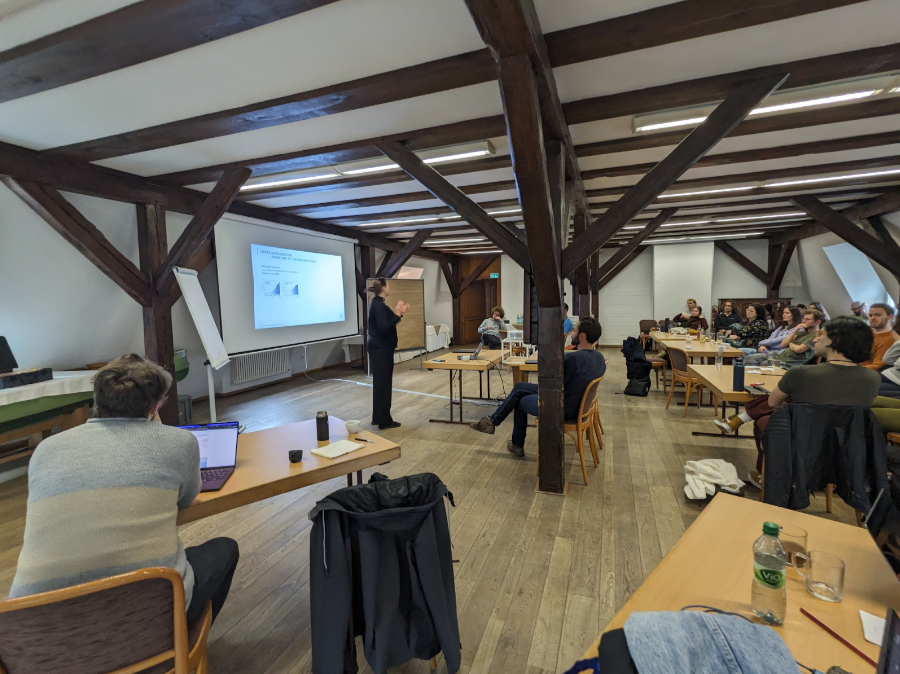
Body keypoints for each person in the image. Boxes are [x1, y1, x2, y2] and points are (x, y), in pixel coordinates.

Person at [9, 354, 239, 626]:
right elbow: (186, 499)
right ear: (155, 407)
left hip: (29, 628)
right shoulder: (180, 442)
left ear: (97, 399)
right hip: (144, 617)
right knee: (225, 549)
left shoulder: (46, 449)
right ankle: (183, 644)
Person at [715, 317, 881, 486]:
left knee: (765, 419)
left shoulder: (801, 373)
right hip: (847, 442)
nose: (815, 339)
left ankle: (767, 475)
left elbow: (772, 403)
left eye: (820, 334)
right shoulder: (873, 378)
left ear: (835, 339)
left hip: (802, 435)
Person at [469, 317, 606, 456]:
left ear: (582, 336)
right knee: (520, 387)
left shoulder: (573, 359)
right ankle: (494, 424)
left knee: (519, 399)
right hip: (580, 406)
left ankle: (511, 439)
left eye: (574, 331)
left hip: (562, 407)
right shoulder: (600, 358)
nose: (571, 333)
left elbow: (553, 387)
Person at [367, 277, 408, 430]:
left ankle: (380, 417)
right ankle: (383, 420)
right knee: (382, 385)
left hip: (381, 348)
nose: (389, 287)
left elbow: (386, 322)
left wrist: (399, 314)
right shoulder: (378, 305)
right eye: (388, 285)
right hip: (381, 349)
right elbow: (384, 326)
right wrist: (397, 315)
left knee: (382, 384)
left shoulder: (378, 304)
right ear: (383, 288)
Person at [745, 309, 821, 368]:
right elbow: (783, 344)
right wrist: (795, 330)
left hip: (789, 363)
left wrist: (791, 343)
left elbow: (798, 349)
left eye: (807, 319)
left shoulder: (815, 335)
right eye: (804, 319)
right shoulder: (801, 332)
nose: (804, 321)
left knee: (762, 363)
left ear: (817, 322)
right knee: (750, 358)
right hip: (778, 356)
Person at [862, 303, 899, 371]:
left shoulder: (891, 339)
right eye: (870, 315)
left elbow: (877, 366)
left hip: (866, 373)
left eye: (877, 315)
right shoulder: (867, 333)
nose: (872, 318)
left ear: (890, 316)